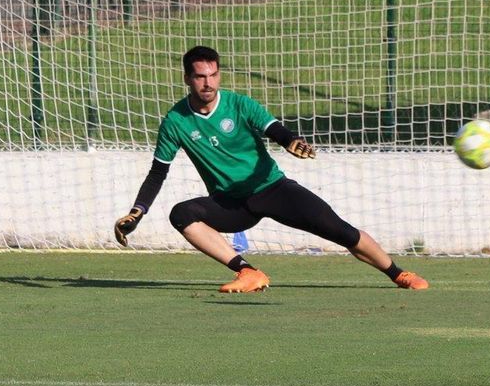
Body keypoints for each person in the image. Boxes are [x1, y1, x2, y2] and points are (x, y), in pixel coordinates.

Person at [114, 45, 428, 293]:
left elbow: (273, 127)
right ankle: (248, 271)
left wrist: (289, 140)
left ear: (219, 75)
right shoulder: (175, 121)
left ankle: (398, 274)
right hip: (231, 204)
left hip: (273, 190)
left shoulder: (239, 104)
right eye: (199, 76)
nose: (207, 83)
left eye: (213, 75)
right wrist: (137, 211)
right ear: (187, 79)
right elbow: (158, 172)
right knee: (181, 214)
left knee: (341, 231)